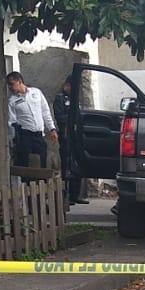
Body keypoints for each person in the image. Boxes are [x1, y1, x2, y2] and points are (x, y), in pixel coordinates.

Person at [6, 71, 56, 170]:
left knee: (42, 163)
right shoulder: (12, 101)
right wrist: (13, 140)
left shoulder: (36, 92)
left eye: (11, 84)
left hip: (39, 135)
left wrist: (52, 129)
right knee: (26, 165)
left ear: (19, 81)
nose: (10, 87)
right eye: (8, 85)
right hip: (25, 136)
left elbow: (45, 111)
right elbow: (11, 122)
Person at [52, 79, 88, 208]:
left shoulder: (76, 99)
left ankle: (76, 194)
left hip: (77, 136)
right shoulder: (60, 99)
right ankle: (65, 195)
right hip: (66, 135)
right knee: (66, 165)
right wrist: (72, 119)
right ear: (66, 85)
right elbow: (60, 116)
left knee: (77, 163)